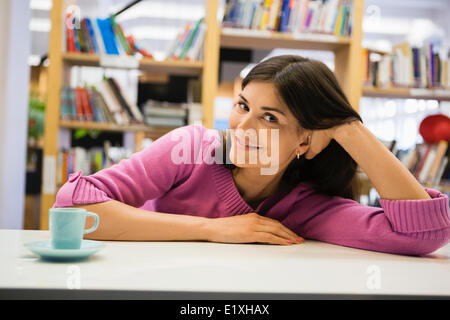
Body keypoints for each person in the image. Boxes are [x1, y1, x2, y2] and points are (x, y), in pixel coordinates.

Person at [53, 55, 450, 256]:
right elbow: (73, 208)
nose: (242, 127)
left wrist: (348, 127)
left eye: (270, 118)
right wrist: (214, 229)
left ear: (305, 143)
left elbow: (422, 235)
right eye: (242, 106)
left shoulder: (306, 206)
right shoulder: (191, 149)